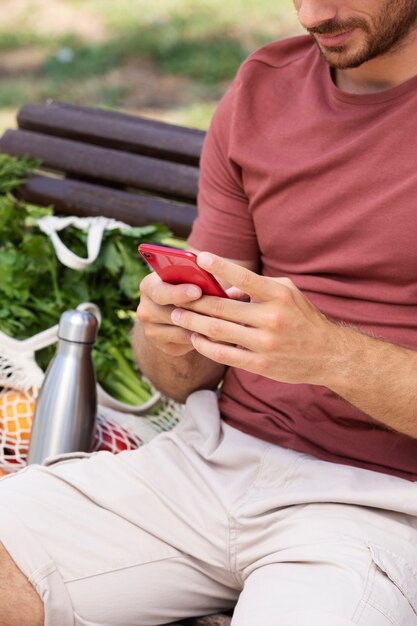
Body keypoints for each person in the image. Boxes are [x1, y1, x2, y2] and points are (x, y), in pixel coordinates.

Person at [2, 1, 417, 624]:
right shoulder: (264, 89)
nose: (312, 14)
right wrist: (169, 332)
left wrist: (331, 355)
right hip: (206, 462)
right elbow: (178, 381)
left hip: (380, 505)